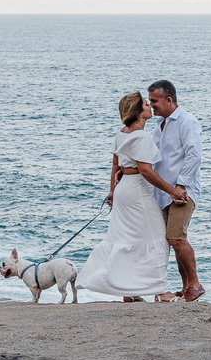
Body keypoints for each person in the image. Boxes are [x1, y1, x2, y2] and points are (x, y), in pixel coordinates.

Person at [77, 91, 188, 301]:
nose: (150, 107)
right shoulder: (141, 137)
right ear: (138, 112)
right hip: (137, 191)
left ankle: (131, 292)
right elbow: (146, 171)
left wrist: (112, 190)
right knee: (157, 239)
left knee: (127, 239)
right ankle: (161, 291)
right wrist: (172, 190)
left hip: (123, 190)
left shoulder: (122, 133)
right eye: (146, 104)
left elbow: (115, 165)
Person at [148, 80, 204, 303]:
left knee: (176, 237)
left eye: (154, 101)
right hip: (164, 193)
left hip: (182, 192)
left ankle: (195, 285)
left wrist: (180, 185)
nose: (151, 105)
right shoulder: (159, 125)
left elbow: (194, 155)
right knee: (171, 240)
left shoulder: (186, 122)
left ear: (168, 100)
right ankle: (186, 286)